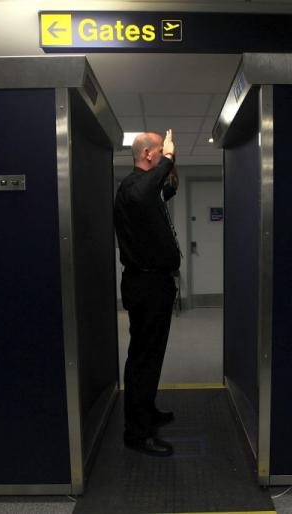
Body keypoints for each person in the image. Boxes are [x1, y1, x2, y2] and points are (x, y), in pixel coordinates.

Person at [114, 129, 180, 457]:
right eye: (160, 150)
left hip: (157, 283)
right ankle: (136, 433)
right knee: (142, 358)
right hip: (145, 284)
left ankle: (147, 410)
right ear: (149, 155)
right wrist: (167, 158)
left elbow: (168, 187)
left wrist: (172, 160)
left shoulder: (148, 191)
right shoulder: (132, 187)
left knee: (152, 355)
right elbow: (148, 189)